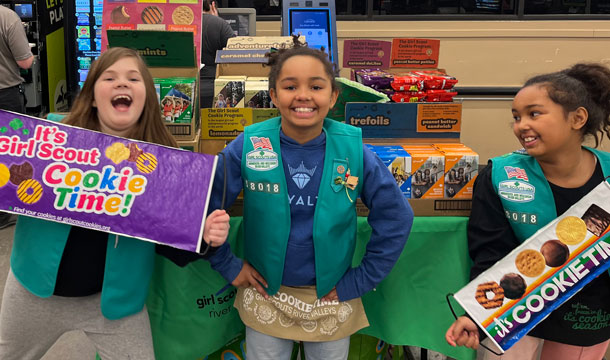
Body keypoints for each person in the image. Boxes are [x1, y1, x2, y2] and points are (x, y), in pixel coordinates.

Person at [0, 47, 231, 360]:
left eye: (133, 78)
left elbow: (170, 244)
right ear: (93, 95)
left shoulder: (164, 164)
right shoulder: (50, 137)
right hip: (33, 290)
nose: (122, 83)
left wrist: (202, 236)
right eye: (110, 77)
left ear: (148, 98)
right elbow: (12, 187)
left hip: (114, 306)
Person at [206, 38, 413, 360]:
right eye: (290, 86)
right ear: (273, 95)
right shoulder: (249, 145)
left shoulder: (354, 151)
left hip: (331, 296)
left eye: (316, 87)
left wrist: (361, 279)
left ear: (333, 96)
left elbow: (396, 217)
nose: (303, 95)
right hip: (266, 293)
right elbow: (205, 206)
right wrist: (227, 264)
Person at [445, 63, 610, 360]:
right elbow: (489, 252)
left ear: (577, 118)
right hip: (514, 316)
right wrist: (479, 316)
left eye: (534, 114)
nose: (521, 125)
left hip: (588, 318)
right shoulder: (501, 174)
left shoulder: (607, 177)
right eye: (516, 117)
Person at [0, 5, 34, 229]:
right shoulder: (7, 17)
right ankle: (4, 212)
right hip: (5, 95)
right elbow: (25, 62)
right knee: (9, 154)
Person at [200, 0, 235, 108]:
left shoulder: (179, 23)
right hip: (214, 89)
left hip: (185, 86)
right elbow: (234, 55)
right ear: (213, 5)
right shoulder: (220, 24)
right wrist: (216, 19)